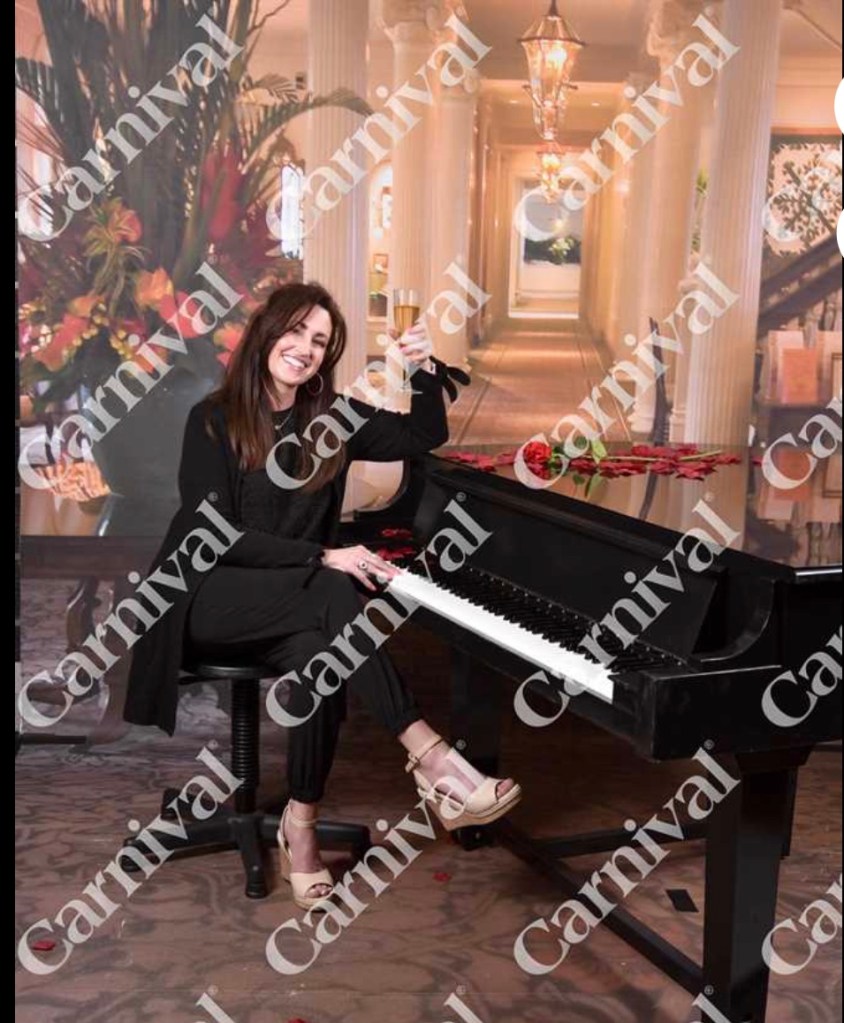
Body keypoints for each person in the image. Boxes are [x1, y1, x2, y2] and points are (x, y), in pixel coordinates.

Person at [124, 282, 521, 910]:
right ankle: (433, 758)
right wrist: (320, 556)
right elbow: (212, 535)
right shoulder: (213, 419)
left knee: (323, 660)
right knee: (334, 586)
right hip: (203, 598)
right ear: (267, 332)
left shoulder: (332, 420)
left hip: (297, 599)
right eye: (295, 332)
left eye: (320, 341)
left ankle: (300, 822)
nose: (305, 348)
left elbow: (423, 434)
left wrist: (419, 369)